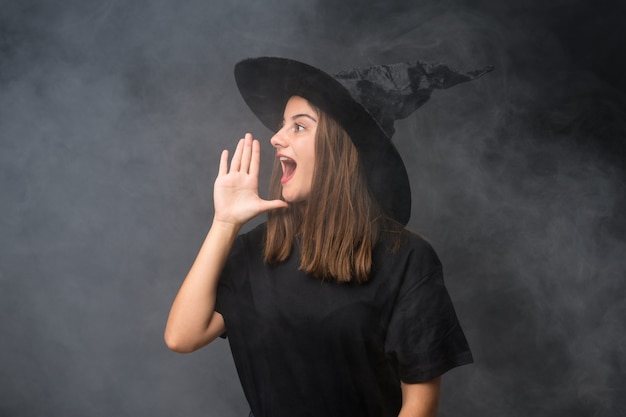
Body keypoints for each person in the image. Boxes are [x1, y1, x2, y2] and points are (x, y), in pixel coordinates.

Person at [165, 57, 492, 417]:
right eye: (281, 125)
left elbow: (420, 405)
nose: (276, 137)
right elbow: (183, 336)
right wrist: (225, 222)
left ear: (341, 150)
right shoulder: (257, 250)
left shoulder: (407, 259)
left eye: (299, 127)